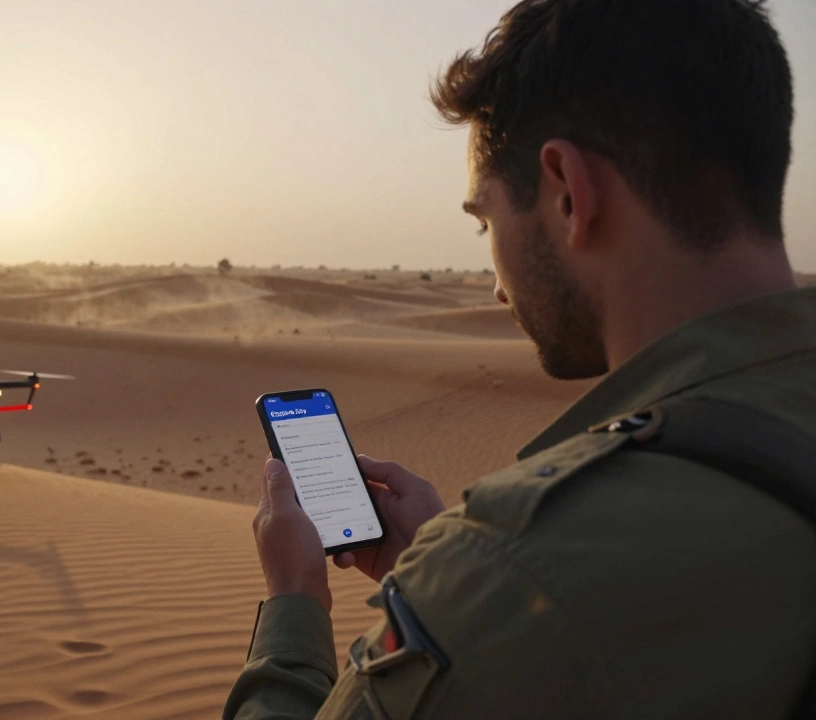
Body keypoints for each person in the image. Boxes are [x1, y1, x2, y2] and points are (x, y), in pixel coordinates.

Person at [223, 0, 816, 718]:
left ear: (568, 193)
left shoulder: (524, 574)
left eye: (486, 222)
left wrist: (296, 604)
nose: (499, 284)